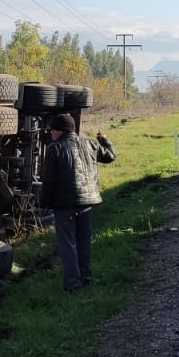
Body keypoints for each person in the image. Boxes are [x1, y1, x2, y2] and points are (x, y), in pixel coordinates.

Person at [39, 112, 115, 291]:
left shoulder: (54, 148)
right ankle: (86, 277)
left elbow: (49, 180)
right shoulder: (90, 143)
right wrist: (104, 140)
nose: (51, 133)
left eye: (53, 130)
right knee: (83, 242)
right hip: (88, 201)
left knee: (68, 245)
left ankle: (73, 284)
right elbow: (110, 156)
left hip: (65, 203)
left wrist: (44, 204)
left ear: (60, 131)